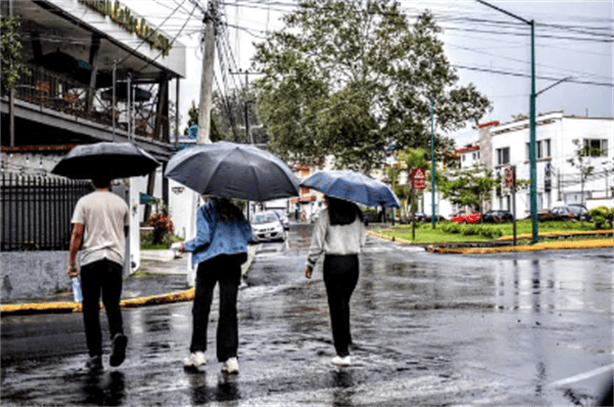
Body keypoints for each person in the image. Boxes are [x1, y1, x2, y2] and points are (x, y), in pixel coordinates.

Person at [179, 196, 252, 374]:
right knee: (228, 309)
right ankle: (230, 358)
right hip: (233, 261)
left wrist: (184, 246)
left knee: (201, 307)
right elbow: (249, 235)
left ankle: (198, 352)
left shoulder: (205, 210)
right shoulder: (236, 211)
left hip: (209, 261)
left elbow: (204, 238)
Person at [67, 177, 129, 372]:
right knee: (112, 303)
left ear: (93, 181)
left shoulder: (84, 202)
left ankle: (95, 356)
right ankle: (117, 334)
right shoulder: (121, 203)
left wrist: (71, 262)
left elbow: (77, 233)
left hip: (91, 261)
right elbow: (124, 231)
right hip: (114, 260)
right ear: (110, 181)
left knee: (91, 309)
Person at [304, 196, 366, 367]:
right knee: (344, 302)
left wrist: (310, 262)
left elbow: (317, 241)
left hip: (333, 263)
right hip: (353, 263)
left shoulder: (325, 215)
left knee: (336, 306)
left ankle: (342, 353)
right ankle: (346, 339)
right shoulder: (357, 213)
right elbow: (363, 240)